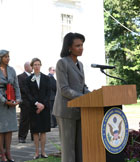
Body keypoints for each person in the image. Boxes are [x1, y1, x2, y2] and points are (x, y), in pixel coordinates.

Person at [53, 32, 90, 162]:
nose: (81, 48)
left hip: (80, 110)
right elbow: (64, 89)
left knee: (80, 148)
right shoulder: (62, 63)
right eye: (78, 45)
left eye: (82, 45)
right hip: (65, 111)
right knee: (69, 150)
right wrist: (83, 98)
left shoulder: (80, 64)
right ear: (69, 47)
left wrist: (90, 94)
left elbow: (83, 86)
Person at [26, 58, 51, 159]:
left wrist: (43, 105)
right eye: (35, 65)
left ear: (41, 65)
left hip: (44, 108)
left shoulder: (46, 78)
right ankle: (36, 152)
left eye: (38, 64)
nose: (37, 66)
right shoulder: (28, 79)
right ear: (32, 66)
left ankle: (43, 152)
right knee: (35, 131)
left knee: (43, 131)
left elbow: (48, 93)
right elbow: (28, 94)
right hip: (34, 108)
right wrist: (37, 104)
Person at [0, 50, 21, 162]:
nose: (8, 58)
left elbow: (16, 86)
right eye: (5, 57)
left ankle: (8, 152)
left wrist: (18, 99)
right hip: (1, 102)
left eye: (8, 56)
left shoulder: (12, 70)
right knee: (1, 129)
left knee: (9, 129)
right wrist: (4, 100)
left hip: (11, 100)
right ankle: (2, 154)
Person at [18, 62, 33, 143]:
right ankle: (22, 137)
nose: (32, 67)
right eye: (31, 66)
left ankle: (34, 136)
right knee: (24, 121)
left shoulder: (33, 76)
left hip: (33, 103)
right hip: (25, 102)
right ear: (26, 67)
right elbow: (22, 88)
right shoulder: (20, 77)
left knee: (34, 120)